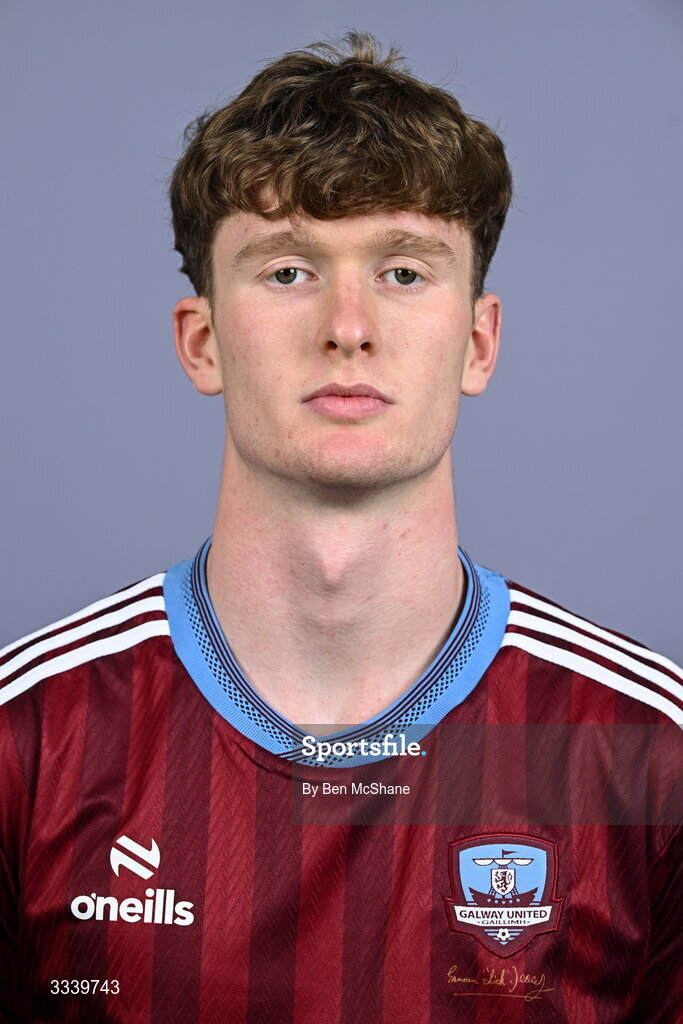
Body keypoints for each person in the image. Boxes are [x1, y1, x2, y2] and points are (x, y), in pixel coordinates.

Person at [0, 30, 681, 1024]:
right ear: (201, 342)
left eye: (403, 271)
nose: (348, 323)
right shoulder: (30, 741)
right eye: (287, 271)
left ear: (477, 341)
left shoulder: (644, 750)